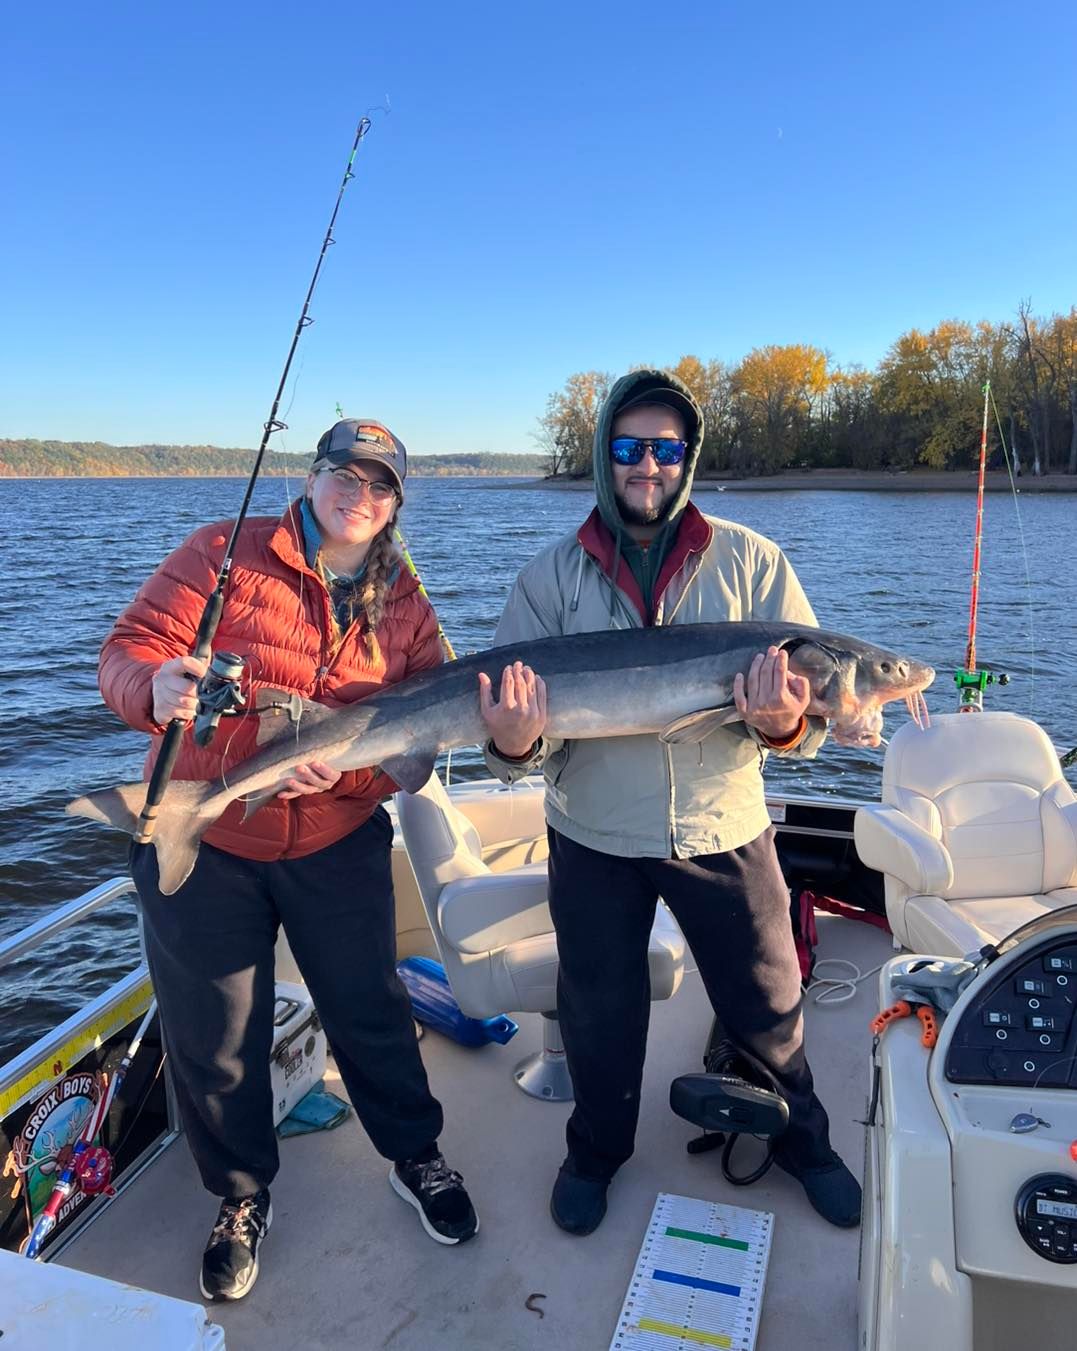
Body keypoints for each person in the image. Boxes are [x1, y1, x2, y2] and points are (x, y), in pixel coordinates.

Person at [99, 419, 478, 1303]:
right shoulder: (220, 554)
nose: (360, 493)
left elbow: (428, 727)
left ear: (395, 505)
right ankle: (239, 1196)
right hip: (217, 839)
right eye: (345, 472)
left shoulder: (408, 602)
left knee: (371, 1009)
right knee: (215, 1033)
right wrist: (153, 689)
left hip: (337, 837)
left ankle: (413, 1154)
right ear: (312, 477)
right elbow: (126, 651)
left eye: (381, 483)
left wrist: (361, 764)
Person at [478, 369, 861, 1235]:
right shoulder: (550, 576)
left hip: (724, 826)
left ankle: (804, 1141)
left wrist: (784, 723)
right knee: (599, 1013)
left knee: (771, 1003)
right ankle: (595, 1151)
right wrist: (508, 739)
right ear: (603, 455)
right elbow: (507, 745)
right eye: (627, 447)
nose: (645, 464)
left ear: (685, 460)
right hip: (593, 834)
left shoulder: (754, 562)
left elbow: (800, 735)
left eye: (663, 449)